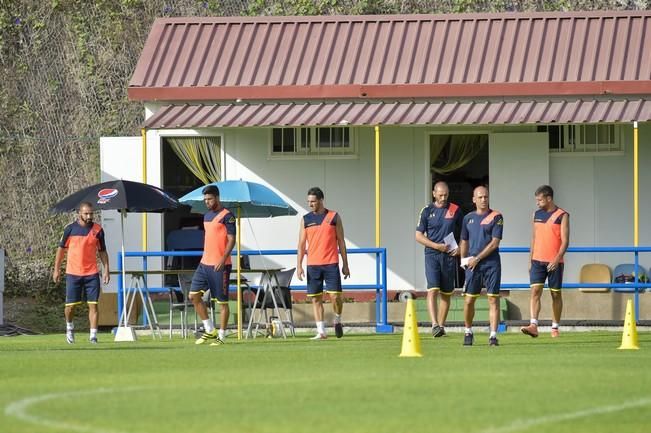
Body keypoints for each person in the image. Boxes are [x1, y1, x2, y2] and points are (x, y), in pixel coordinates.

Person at [297, 187, 350, 339]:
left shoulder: (334, 217)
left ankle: (337, 319)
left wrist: (345, 264)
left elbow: (341, 241)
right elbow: (301, 244)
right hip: (313, 265)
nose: (310, 204)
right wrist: (299, 265)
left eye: (313, 201)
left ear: (321, 200)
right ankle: (321, 331)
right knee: (315, 298)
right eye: (308, 202)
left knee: (335, 297)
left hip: (331, 263)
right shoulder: (305, 220)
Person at [53, 202, 109, 344]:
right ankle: (70, 328)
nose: (89, 216)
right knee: (70, 307)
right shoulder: (70, 229)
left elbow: (102, 251)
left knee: (93, 305)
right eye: (86, 213)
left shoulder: (98, 230)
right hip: (73, 273)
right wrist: (56, 269)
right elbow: (61, 250)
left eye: (91, 213)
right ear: (79, 213)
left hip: (92, 273)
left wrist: (106, 270)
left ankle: (93, 336)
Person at [521, 185, 570, 338]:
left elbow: (565, 241)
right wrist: (530, 260)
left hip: (555, 262)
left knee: (556, 295)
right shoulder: (536, 214)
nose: (537, 203)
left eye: (540, 200)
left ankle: (555, 327)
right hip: (537, 261)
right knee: (535, 292)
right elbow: (534, 238)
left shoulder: (563, 215)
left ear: (549, 198)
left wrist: (556, 259)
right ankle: (533, 325)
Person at [415, 181, 462, 338]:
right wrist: (436, 246)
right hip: (432, 255)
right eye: (440, 195)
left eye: (446, 195)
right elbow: (418, 236)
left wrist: (460, 249)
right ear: (434, 193)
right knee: (433, 289)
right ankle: (434, 324)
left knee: (446, 293)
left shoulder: (455, 210)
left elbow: (464, 233)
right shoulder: (427, 211)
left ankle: (441, 326)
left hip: (449, 255)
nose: (443, 198)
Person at [190, 185, 236, 345]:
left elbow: (232, 239)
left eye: (209, 199)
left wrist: (223, 259)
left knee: (222, 302)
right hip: (204, 264)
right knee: (193, 296)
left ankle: (221, 336)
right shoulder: (206, 215)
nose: (207, 202)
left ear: (217, 197)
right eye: (205, 200)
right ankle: (210, 330)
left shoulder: (228, 216)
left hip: (220, 265)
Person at [459, 186, 503, 347]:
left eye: (486, 197)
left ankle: (493, 336)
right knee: (469, 300)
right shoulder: (467, 218)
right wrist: (463, 260)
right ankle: (468, 331)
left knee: (493, 299)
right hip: (472, 266)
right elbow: (464, 240)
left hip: (491, 264)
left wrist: (477, 258)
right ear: (474, 199)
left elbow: (495, 242)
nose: (483, 200)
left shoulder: (496, 216)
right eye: (480, 197)